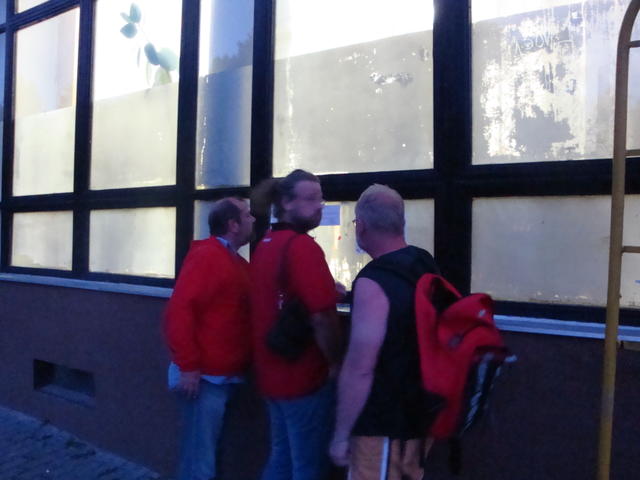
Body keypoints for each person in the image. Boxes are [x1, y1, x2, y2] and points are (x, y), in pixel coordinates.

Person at [329, 184, 440, 480]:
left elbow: (361, 368)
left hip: (383, 425)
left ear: (361, 226)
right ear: (401, 223)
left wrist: (341, 434)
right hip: (421, 416)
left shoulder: (373, 281)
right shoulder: (423, 262)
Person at [250, 169, 343, 480]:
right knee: (307, 466)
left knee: (281, 457)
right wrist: (335, 362)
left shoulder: (265, 243)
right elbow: (322, 316)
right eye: (311, 199)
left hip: (270, 373)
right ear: (287, 203)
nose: (320, 206)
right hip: (303, 376)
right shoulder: (302, 247)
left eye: (321, 199)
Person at [164, 197, 255, 480]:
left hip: (223, 377)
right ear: (233, 225)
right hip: (203, 379)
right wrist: (189, 367)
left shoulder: (237, 262)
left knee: (206, 454)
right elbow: (179, 311)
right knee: (199, 460)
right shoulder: (207, 257)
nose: (254, 220)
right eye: (248, 215)